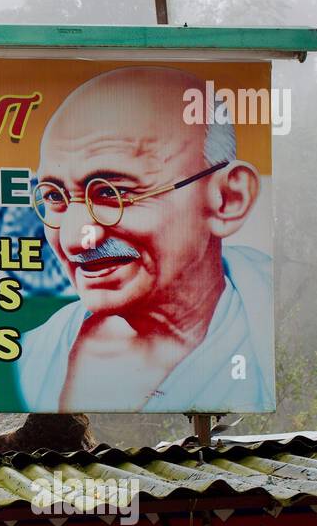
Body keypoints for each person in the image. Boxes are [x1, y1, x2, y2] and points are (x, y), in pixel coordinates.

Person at [16, 66, 274, 413]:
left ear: (227, 199)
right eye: (55, 197)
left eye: (115, 193)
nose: (76, 240)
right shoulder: (32, 356)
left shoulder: (272, 333)